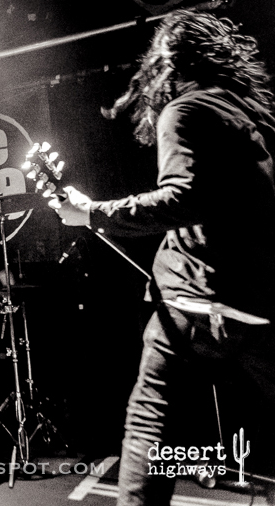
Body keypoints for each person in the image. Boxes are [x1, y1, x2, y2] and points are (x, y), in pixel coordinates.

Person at [50, 11, 275, 505]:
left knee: (150, 430)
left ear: (168, 58)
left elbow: (183, 198)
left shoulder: (185, 110)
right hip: (259, 302)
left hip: (197, 302)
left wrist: (92, 213)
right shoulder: (251, 117)